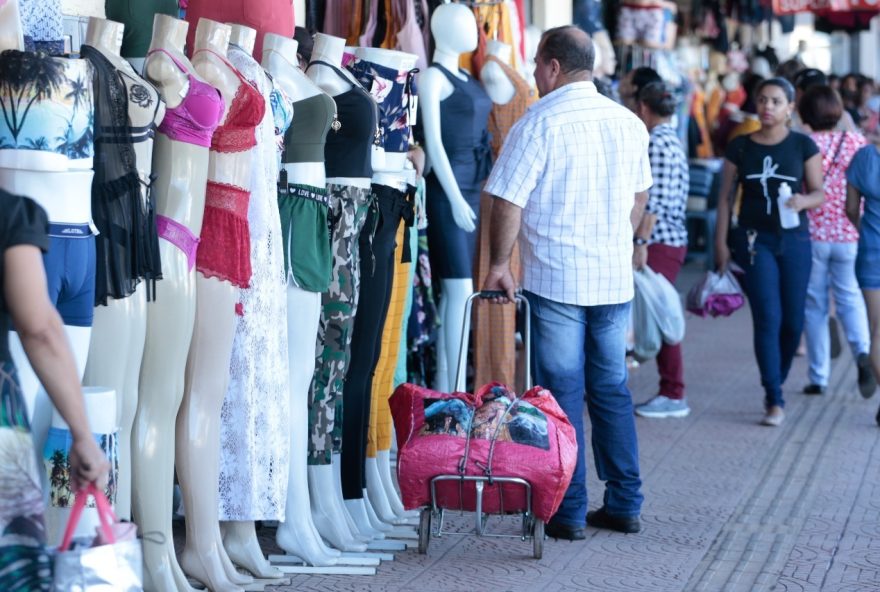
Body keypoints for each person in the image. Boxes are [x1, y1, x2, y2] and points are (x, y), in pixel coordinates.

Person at [482, 25, 651, 540]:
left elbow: (508, 198)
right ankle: (624, 503)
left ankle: (568, 511)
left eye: (536, 63)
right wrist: (617, 243)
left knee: (561, 393)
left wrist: (498, 263)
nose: (534, 73)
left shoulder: (539, 122)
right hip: (611, 279)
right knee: (611, 389)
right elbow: (639, 199)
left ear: (553, 65)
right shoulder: (629, 123)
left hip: (557, 279)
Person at [0, 189, 110, 590]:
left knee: (55, 452)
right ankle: (54, 550)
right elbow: (40, 331)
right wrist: (84, 436)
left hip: (83, 236)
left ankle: (59, 534)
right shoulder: (10, 213)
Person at [714, 78, 825, 427]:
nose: (768, 107)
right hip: (752, 240)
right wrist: (720, 243)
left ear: (790, 107)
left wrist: (803, 199)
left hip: (795, 241)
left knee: (793, 321)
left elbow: (820, 192)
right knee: (768, 317)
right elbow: (726, 198)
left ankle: (777, 376)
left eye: (776, 101)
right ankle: (773, 396)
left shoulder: (803, 145)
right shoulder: (741, 146)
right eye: (762, 100)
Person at [798, 85, 874, 398]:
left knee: (815, 304)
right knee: (850, 298)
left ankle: (819, 378)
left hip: (812, 234)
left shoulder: (803, 143)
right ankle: (863, 353)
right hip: (851, 234)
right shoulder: (858, 142)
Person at [631, 81, 691, 419]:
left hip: (659, 242)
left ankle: (673, 391)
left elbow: (653, 201)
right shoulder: (671, 140)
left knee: (662, 313)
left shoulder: (657, 143)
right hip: (667, 240)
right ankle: (671, 389)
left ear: (642, 107)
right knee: (659, 310)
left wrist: (640, 243)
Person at [845, 139, 880, 426]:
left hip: (871, 251)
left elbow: (851, 208)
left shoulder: (864, 157)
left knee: (877, 329)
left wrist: (864, 229)